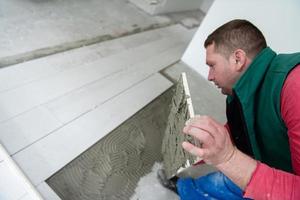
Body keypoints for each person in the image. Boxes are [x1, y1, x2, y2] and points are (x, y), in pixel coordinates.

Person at [159, 19, 300, 199]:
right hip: (266, 167)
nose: (209, 76)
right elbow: (243, 129)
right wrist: (204, 146)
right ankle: (185, 188)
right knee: (218, 182)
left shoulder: (295, 87)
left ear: (237, 59)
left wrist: (228, 158)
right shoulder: (242, 91)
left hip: (283, 188)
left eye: (212, 65)